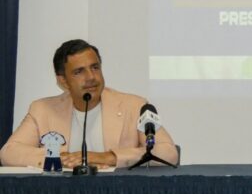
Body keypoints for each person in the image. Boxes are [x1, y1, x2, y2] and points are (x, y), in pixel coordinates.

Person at [0, 39, 178, 169]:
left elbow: (168, 153)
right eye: (79, 72)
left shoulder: (134, 105)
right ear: (63, 81)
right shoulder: (42, 110)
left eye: (95, 67)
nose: (91, 77)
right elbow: (9, 153)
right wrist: (61, 158)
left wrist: (108, 157)